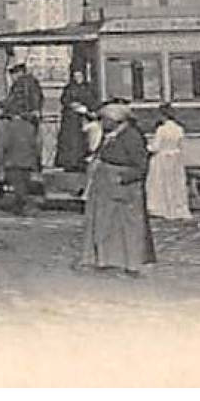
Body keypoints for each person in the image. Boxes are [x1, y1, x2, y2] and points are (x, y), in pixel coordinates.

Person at [78, 102, 155, 275]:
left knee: (129, 226)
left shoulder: (131, 137)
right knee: (105, 224)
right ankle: (107, 259)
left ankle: (131, 264)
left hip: (124, 189)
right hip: (106, 187)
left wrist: (122, 178)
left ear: (116, 120)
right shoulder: (111, 135)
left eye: (104, 119)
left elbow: (141, 165)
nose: (102, 123)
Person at [146, 103, 192, 221]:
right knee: (176, 184)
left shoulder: (161, 129)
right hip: (175, 158)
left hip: (162, 158)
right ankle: (177, 209)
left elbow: (156, 147)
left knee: (162, 183)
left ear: (163, 115)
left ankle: (162, 209)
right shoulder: (179, 129)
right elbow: (181, 146)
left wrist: (146, 148)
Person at [55, 69, 99, 172]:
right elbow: (65, 100)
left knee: (81, 142)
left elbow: (92, 102)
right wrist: (73, 105)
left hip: (83, 118)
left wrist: (87, 110)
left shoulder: (87, 88)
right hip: (70, 120)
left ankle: (79, 161)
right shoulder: (69, 88)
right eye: (76, 76)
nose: (78, 78)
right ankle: (69, 162)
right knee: (70, 142)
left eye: (80, 76)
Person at [0, 111, 40, 215]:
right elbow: (36, 146)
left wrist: (2, 162)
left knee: (19, 187)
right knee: (24, 184)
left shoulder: (8, 127)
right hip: (26, 162)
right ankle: (20, 207)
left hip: (13, 162)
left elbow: (4, 145)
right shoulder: (30, 127)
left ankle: (24, 207)